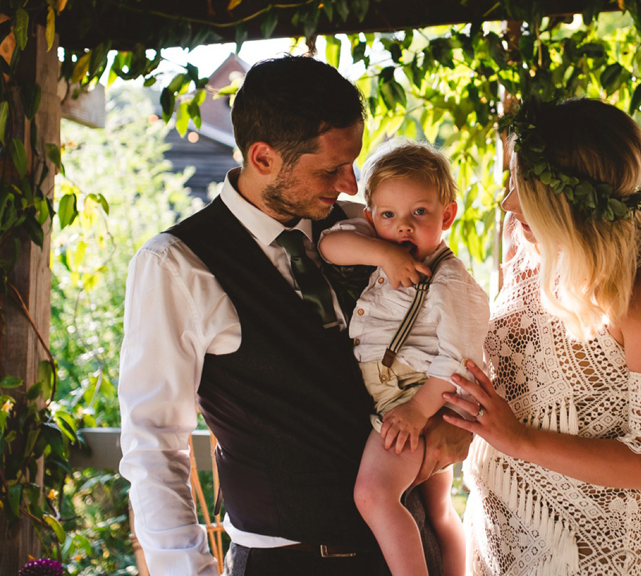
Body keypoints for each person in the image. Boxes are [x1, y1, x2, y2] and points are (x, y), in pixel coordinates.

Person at [118, 56, 471, 576]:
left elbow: (448, 329)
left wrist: (457, 425)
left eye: (352, 163)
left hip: (415, 551)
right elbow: (154, 445)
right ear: (262, 157)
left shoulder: (367, 231)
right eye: (330, 168)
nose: (351, 185)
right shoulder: (176, 265)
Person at [443, 97, 641, 576]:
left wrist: (518, 439)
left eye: (524, 186)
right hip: (496, 526)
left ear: (567, 199)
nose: (508, 203)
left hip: (588, 552)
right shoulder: (523, 241)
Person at [319, 140, 489, 576]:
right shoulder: (380, 250)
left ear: (446, 216)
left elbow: (459, 358)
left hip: (416, 395)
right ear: (371, 216)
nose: (403, 228)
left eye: (420, 213)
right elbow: (328, 246)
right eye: (389, 215)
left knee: (374, 494)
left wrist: (416, 411)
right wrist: (382, 252)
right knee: (437, 508)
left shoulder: (449, 280)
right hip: (400, 392)